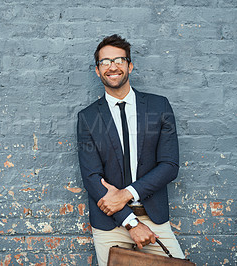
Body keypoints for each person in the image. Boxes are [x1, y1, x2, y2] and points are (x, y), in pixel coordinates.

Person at [77, 34, 185, 266]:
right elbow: (91, 177)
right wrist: (131, 223)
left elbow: (169, 166)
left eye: (118, 60)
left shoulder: (159, 106)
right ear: (97, 70)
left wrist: (126, 195)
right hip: (110, 222)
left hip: (154, 217)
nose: (112, 66)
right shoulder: (87, 118)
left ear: (130, 65)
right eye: (104, 62)